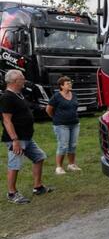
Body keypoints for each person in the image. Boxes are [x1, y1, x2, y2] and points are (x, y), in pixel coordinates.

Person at [1, 69, 53, 204]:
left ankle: (38, 187)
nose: (24, 81)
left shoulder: (19, 94)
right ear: (14, 81)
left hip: (27, 137)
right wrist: (15, 140)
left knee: (39, 157)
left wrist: (42, 107)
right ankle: (12, 193)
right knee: (15, 165)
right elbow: (6, 120)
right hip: (16, 139)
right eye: (22, 79)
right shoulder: (7, 97)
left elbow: (28, 107)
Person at [46, 76, 81, 175]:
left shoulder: (74, 95)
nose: (70, 84)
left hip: (74, 124)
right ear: (61, 86)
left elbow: (74, 108)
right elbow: (48, 109)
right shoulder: (56, 96)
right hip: (61, 125)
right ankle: (59, 167)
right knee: (63, 146)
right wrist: (56, 118)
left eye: (70, 83)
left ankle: (71, 165)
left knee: (73, 145)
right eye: (67, 83)